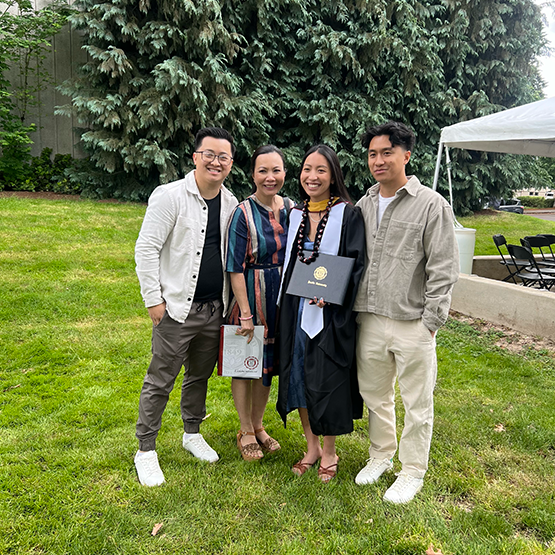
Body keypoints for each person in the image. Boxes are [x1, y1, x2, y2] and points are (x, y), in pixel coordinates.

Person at [354, 121, 459, 503]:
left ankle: (412, 470)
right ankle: (381, 455)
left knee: (418, 401)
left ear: (406, 155)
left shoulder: (431, 204)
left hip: (414, 322)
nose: (378, 160)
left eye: (386, 152)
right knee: (375, 395)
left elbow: (444, 266)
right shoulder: (363, 204)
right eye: (372, 154)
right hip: (369, 318)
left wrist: (432, 321)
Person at [134, 127, 238, 486]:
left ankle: (191, 433)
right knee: (160, 379)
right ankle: (145, 450)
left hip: (214, 309)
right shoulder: (170, 197)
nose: (216, 161)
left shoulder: (231, 204)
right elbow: (145, 248)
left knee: (199, 375)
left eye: (223, 157)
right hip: (176, 309)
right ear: (195, 157)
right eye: (209, 154)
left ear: (230, 164)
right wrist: (154, 301)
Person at [276, 144, 365, 482]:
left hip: (330, 314)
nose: (312, 176)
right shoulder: (295, 214)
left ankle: (329, 451)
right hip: (297, 308)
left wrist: (334, 296)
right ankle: (310, 446)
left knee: (326, 377)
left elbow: (357, 264)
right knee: (297, 372)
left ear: (333, 176)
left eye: (321, 170)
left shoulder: (347, 213)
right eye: (307, 169)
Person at [226, 145, 293, 461]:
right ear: (252, 174)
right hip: (250, 298)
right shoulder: (242, 213)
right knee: (245, 366)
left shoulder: (292, 208)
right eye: (263, 171)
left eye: (276, 170)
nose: (270, 177)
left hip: (280, 299)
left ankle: (258, 424)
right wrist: (246, 314)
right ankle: (245, 430)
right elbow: (234, 266)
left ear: (284, 172)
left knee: (267, 366)